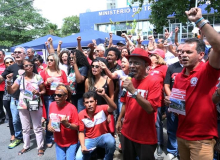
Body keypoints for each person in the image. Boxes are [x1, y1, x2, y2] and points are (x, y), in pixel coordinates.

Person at [164, 7, 220, 160]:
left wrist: (200, 21)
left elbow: (219, 45)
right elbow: (181, 108)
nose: (182, 55)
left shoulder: (208, 70)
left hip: (202, 139)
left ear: (202, 55)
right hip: (181, 136)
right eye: (181, 51)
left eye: (188, 52)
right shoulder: (180, 76)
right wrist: (172, 104)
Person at [116, 48, 162, 160]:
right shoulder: (129, 80)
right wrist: (119, 119)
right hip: (127, 132)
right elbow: (125, 103)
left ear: (146, 65)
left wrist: (134, 92)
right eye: (130, 62)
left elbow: (150, 108)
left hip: (145, 136)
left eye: (136, 63)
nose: (132, 66)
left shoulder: (154, 82)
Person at [0, 46, 38, 149]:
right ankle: (19, 137)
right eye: (15, 52)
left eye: (19, 52)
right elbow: (1, 78)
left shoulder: (30, 65)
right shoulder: (11, 68)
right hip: (16, 99)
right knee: (16, 120)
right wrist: (6, 79)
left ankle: (38, 140)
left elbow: (38, 79)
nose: (16, 54)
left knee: (34, 121)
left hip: (30, 98)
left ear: (24, 54)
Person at [7, 59, 46, 156]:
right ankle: (26, 146)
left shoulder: (37, 77)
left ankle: (40, 147)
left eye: (30, 65)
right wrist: (8, 83)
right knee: (25, 128)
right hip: (23, 105)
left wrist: (39, 93)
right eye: (26, 66)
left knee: (37, 127)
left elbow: (43, 90)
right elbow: (11, 91)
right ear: (23, 68)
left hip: (34, 103)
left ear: (33, 66)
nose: (29, 67)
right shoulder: (20, 78)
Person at [75, 90, 117, 160]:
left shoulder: (102, 108)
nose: (89, 104)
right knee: (78, 158)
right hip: (89, 139)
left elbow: (114, 107)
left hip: (103, 136)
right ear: (84, 104)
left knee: (111, 141)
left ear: (96, 102)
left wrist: (104, 95)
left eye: (91, 101)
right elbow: (81, 132)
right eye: (87, 102)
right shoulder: (81, 114)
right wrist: (83, 146)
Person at [40, 53, 68, 148]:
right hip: (49, 97)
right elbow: (40, 86)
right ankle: (49, 137)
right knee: (50, 118)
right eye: (48, 60)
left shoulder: (62, 72)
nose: (49, 61)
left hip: (61, 97)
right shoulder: (44, 72)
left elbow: (66, 83)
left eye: (51, 60)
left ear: (55, 61)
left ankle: (60, 136)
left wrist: (62, 84)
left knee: (61, 116)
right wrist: (46, 82)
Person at [48, 84, 79, 160]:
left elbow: (77, 126)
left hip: (71, 142)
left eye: (59, 95)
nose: (56, 97)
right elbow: (50, 118)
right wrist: (49, 125)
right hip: (59, 141)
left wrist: (67, 124)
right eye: (55, 95)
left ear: (66, 97)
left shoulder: (72, 108)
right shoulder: (52, 105)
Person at [164, 43, 184, 160]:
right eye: (179, 51)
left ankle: (183, 151)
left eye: (184, 51)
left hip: (189, 103)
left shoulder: (194, 67)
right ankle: (172, 150)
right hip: (173, 101)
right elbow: (166, 84)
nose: (181, 53)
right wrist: (172, 98)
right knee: (172, 128)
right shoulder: (172, 67)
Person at [147, 48, 168, 156]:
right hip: (145, 99)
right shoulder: (148, 67)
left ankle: (160, 143)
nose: (150, 57)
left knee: (157, 122)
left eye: (152, 55)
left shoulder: (164, 68)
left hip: (157, 99)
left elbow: (166, 84)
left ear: (158, 57)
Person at [3, 56, 15, 143]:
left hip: (16, 97)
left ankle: (20, 133)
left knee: (18, 117)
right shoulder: (3, 73)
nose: (9, 64)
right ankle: (13, 134)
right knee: (10, 117)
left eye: (11, 62)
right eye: (7, 62)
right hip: (7, 97)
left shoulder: (17, 71)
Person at [0, 50, 6, 124]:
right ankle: (2, 117)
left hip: (5, 88)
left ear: (4, 55)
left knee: (5, 104)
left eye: (0, 54)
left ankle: (8, 117)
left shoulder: (7, 64)